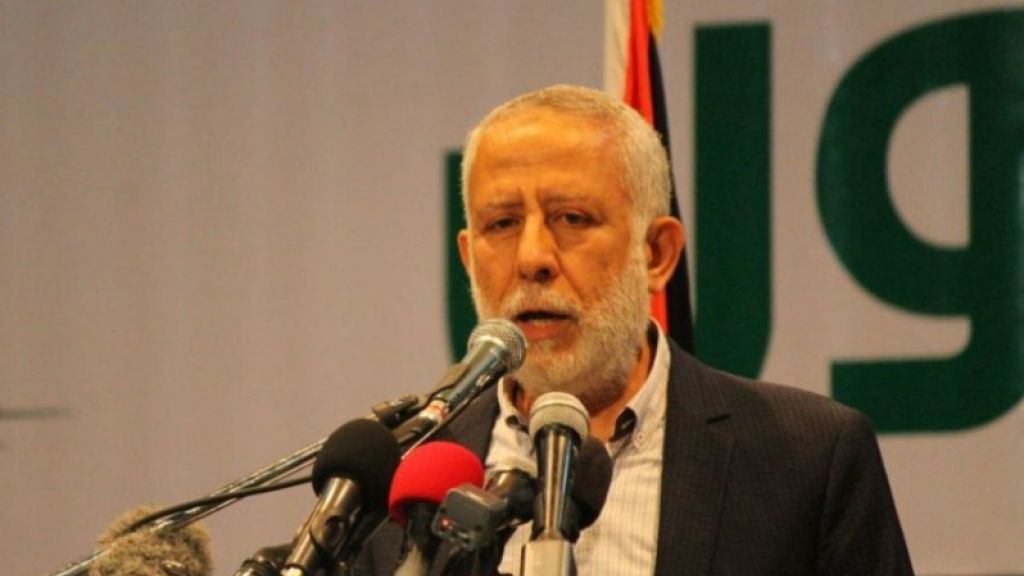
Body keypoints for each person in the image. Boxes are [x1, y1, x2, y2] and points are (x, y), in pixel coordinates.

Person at [353, 84, 914, 575]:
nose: (532, 258)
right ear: (469, 258)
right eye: (501, 224)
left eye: (572, 218)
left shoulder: (808, 459)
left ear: (656, 254)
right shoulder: (398, 485)